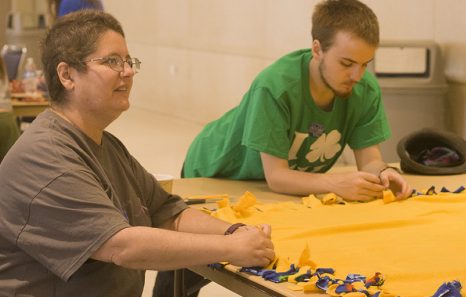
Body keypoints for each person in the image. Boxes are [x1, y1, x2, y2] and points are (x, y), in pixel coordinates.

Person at [0, 10, 274, 297]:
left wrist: (234, 232)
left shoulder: (107, 145)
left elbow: (166, 212)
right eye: (112, 61)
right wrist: (232, 248)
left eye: (129, 62)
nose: (128, 71)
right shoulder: (45, 157)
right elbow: (122, 246)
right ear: (67, 75)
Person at [183, 0, 412, 201]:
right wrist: (335, 183)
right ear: (317, 49)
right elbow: (277, 178)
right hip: (214, 173)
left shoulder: (365, 90)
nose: (357, 75)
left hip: (267, 185)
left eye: (365, 64)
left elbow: (370, 161)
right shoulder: (275, 86)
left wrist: (383, 173)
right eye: (346, 63)